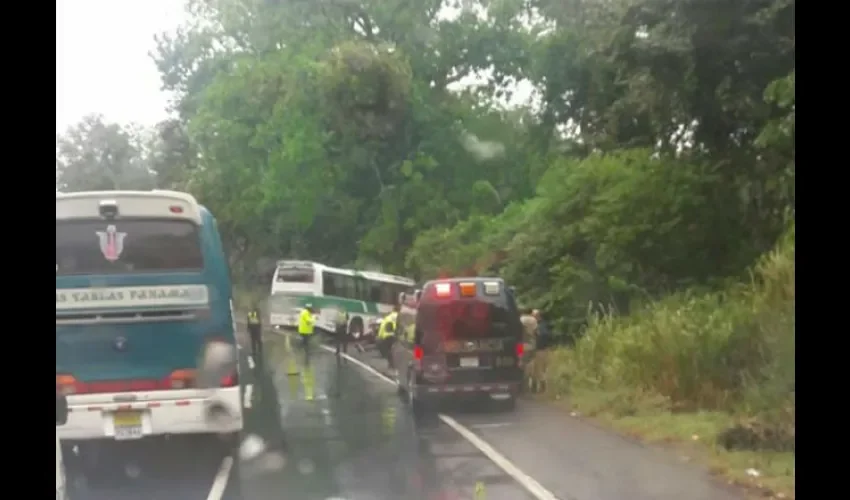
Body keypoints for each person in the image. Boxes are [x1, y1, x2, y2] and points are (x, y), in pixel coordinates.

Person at [376, 306, 400, 375]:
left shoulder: (388, 317)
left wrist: (379, 336)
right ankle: (394, 368)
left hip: (385, 337)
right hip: (394, 336)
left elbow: (382, 327)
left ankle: (390, 367)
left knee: (389, 352)